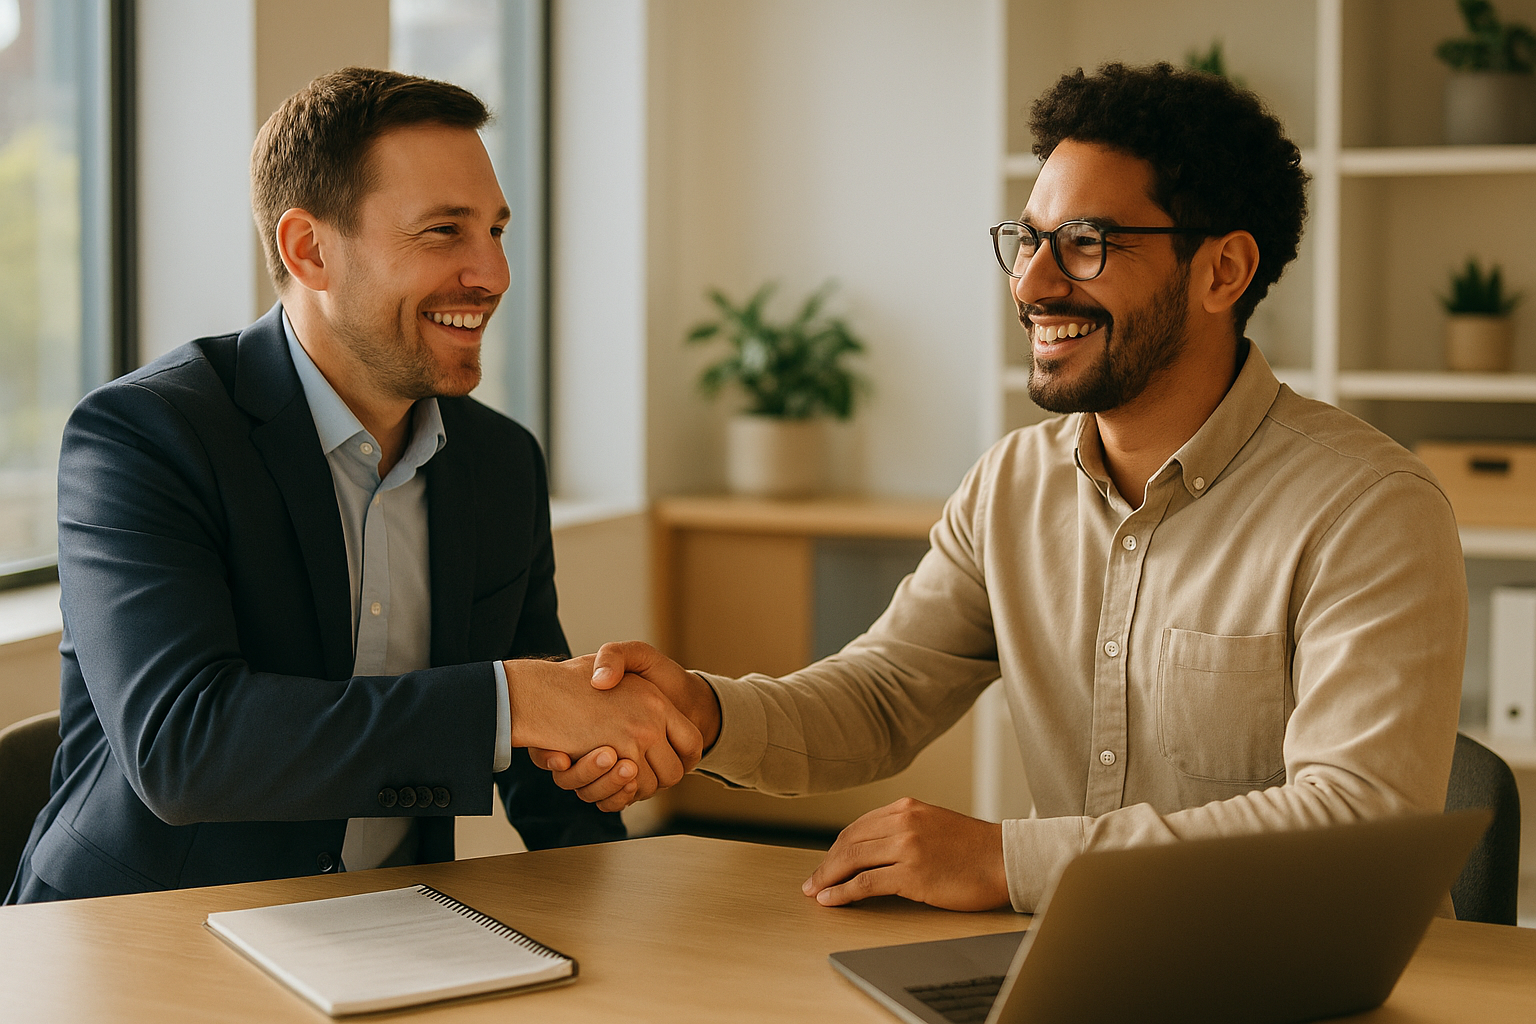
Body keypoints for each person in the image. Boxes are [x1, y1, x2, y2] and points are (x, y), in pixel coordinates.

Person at [536, 63, 1468, 913]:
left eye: (1086, 243)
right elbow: (883, 697)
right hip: (1069, 968)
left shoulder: (1369, 509)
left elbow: (1358, 822)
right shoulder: (1011, 484)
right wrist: (705, 712)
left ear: (1222, 270)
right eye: (1028, 240)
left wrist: (1005, 860)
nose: (1032, 283)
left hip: (1302, 977)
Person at [6, 67, 700, 904]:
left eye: (495, 230)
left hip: (395, 926)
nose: (493, 273)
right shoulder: (144, 436)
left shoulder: (500, 462)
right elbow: (184, 747)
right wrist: (513, 700)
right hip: (139, 934)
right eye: (444, 231)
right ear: (310, 250)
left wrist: (596, 767)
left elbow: (540, 748)